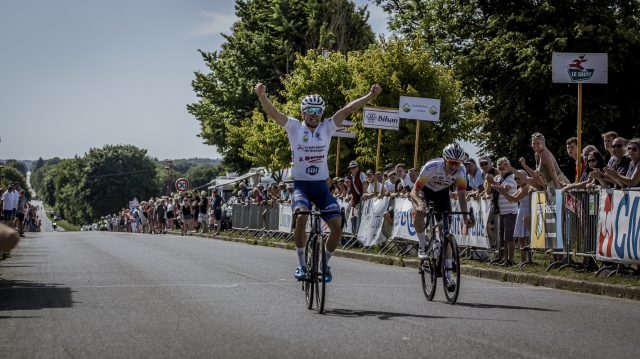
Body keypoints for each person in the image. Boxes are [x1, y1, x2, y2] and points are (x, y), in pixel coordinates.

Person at [255, 81, 382, 282]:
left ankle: (325, 263)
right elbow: (275, 114)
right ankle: (301, 265)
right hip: (301, 186)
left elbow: (348, 109)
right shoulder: (294, 127)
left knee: (338, 226)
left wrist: (369, 96)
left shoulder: (327, 127)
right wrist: (262, 96)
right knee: (302, 216)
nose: (314, 115)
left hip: (322, 187)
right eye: (310, 111)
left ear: (322, 113)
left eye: (318, 111)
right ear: (303, 112)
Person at [410, 142, 474, 292]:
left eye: (457, 163)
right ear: (445, 160)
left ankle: (449, 274)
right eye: (451, 163)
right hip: (425, 192)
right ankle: (422, 244)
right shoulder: (432, 167)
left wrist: (465, 219)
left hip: (442, 195)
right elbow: (413, 191)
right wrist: (420, 203)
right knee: (418, 213)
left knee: (446, 234)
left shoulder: (461, 171)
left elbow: (462, 195)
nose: (453, 167)